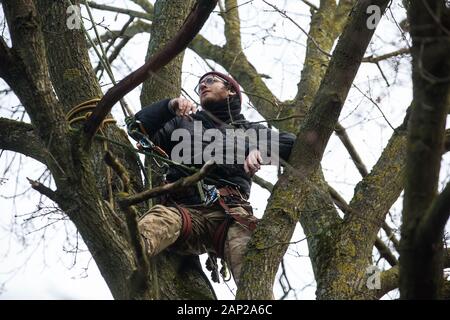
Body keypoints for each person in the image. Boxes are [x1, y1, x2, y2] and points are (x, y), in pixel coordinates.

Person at [130, 71, 295, 286]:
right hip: (183, 210)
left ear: (231, 91)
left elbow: (293, 143)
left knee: (252, 272)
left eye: (210, 81)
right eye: (199, 85)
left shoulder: (248, 130)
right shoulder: (183, 123)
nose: (202, 86)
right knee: (145, 233)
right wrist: (169, 106)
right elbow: (138, 129)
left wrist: (257, 150)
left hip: (230, 216)